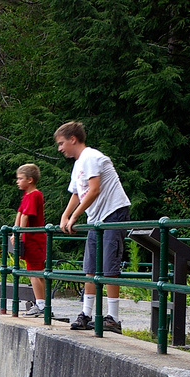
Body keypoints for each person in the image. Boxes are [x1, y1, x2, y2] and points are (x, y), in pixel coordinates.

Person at [54, 121, 131, 333]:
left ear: (73, 139)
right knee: (90, 267)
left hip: (112, 213)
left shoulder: (91, 157)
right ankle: (86, 314)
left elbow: (94, 190)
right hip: (96, 218)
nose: (60, 148)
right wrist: (65, 215)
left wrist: (74, 217)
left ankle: (113, 318)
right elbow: (77, 193)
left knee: (108, 267)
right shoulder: (78, 164)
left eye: (61, 143)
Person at [12, 163, 47, 317]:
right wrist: (15, 230)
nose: (17, 181)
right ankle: (43, 304)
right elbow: (20, 213)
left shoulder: (34, 195)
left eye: (20, 178)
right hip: (30, 238)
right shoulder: (27, 195)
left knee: (34, 272)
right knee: (36, 272)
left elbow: (26, 215)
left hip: (34, 239)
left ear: (30, 180)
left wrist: (20, 232)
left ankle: (41, 305)